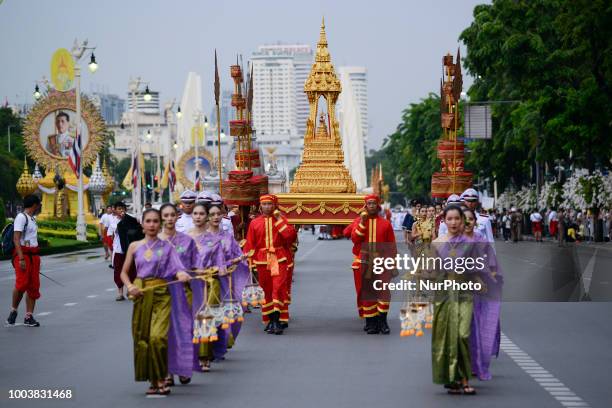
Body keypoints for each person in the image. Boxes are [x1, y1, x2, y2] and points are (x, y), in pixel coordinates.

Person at [121, 209, 192, 396]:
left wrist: (182, 274)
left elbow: (177, 267)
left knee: (158, 338)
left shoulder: (167, 246)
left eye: (155, 221)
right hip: (141, 294)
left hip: (162, 294)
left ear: (159, 224)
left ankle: (161, 377)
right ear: (142, 224)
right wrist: (129, 286)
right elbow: (124, 272)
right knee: (142, 339)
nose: (152, 224)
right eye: (148, 221)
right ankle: (153, 381)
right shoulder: (135, 247)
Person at [431, 204, 476, 394]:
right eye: (449, 219)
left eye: (457, 218)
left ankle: (465, 378)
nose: (453, 222)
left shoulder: (471, 243)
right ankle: (453, 378)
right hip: (443, 295)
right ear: (444, 221)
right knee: (447, 337)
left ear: (463, 220)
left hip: (465, 294)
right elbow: (431, 271)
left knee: (463, 335)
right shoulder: (437, 243)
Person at [158, 203, 200, 386]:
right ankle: (167, 371)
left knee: (183, 331)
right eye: (165, 215)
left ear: (177, 217)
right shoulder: (153, 241)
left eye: (172, 215)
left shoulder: (187, 241)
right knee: (163, 333)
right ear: (161, 218)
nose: (169, 219)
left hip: (185, 292)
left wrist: (198, 275)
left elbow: (196, 265)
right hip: (160, 293)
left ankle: (183, 367)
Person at [243, 194, 297, 335]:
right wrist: (249, 260)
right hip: (262, 260)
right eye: (264, 204)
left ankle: (277, 320)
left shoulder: (281, 219)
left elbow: (290, 237)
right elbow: (250, 244)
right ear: (260, 206)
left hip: (279, 259)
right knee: (266, 290)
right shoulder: (255, 223)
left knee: (278, 288)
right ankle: (270, 320)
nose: (267, 207)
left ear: (274, 205)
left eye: (270, 204)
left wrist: (279, 220)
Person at [463, 207, 502, 381]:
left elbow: (493, 267)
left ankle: (476, 364)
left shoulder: (482, 242)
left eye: (470, 219)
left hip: (480, 292)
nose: (467, 223)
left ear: (475, 222)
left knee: (478, 328)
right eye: (464, 219)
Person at [350, 194, 397, 335]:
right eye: (369, 203)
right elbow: (354, 238)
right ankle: (371, 323)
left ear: (377, 205)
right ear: (365, 206)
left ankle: (382, 322)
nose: (371, 206)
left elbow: (392, 245)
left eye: (373, 203)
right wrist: (363, 222)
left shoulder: (386, 224)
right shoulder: (359, 221)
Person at [6, 195, 42, 327]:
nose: (39, 207)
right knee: (22, 284)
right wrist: (21, 258)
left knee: (33, 286)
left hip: (33, 255)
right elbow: (16, 239)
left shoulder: (33, 219)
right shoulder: (21, 217)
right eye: (38, 204)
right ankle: (13, 311)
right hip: (23, 255)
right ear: (34, 205)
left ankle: (29, 316)